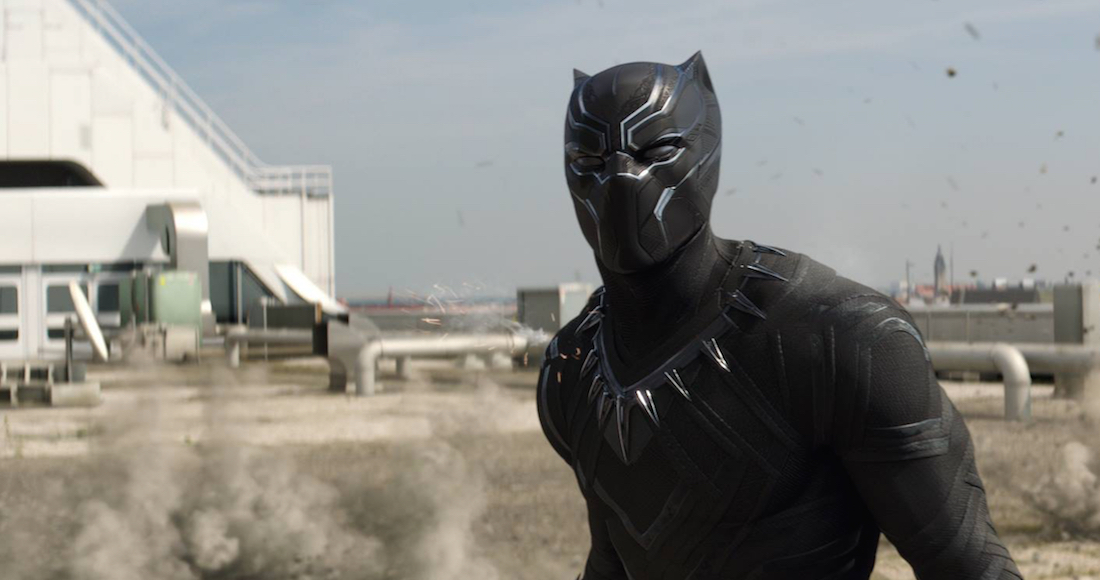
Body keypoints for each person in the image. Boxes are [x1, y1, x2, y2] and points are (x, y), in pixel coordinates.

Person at [536, 51, 1021, 580]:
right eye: (590, 160)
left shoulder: (842, 337)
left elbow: (968, 565)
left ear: (706, 152)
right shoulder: (574, 366)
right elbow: (615, 556)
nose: (620, 178)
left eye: (655, 149)